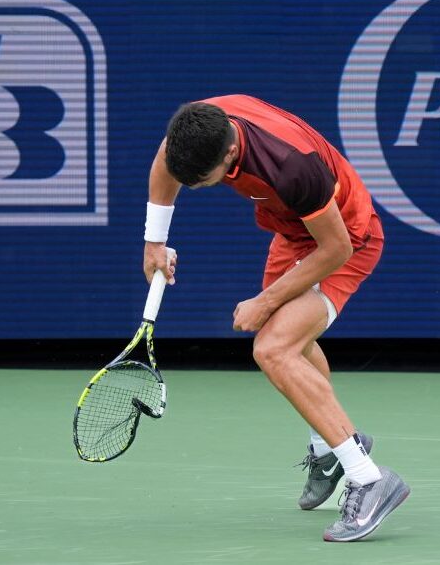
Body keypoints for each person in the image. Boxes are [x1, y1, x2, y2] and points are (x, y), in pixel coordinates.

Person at [142, 94, 410, 540]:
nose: (190, 186)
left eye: (200, 180)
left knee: (272, 347)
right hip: (293, 229)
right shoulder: (197, 125)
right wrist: (154, 243)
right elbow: (166, 162)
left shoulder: (290, 166)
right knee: (293, 344)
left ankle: (369, 478)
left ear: (229, 153)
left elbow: (336, 248)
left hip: (345, 240)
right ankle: (332, 446)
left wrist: (265, 302)